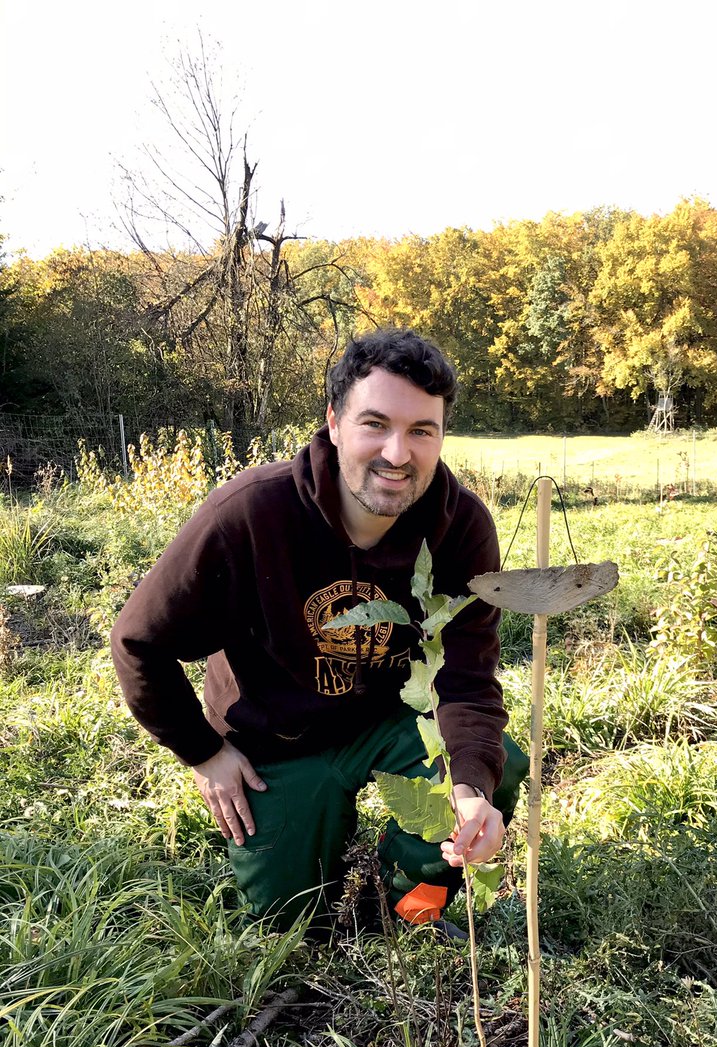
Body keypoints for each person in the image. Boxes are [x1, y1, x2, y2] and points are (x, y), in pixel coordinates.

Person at [111, 328, 527, 934]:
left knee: (492, 766)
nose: (397, 453)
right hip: (274, 740)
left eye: (421, 431)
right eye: (375, 424)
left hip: (390, 719)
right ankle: (302, 850)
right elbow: (138, 642)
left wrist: (469, 787)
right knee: (289, 922)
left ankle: (409, 901)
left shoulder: (460, 526)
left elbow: (466, 677)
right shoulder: (251, 513)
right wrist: (204, 752)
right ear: (334, 422)